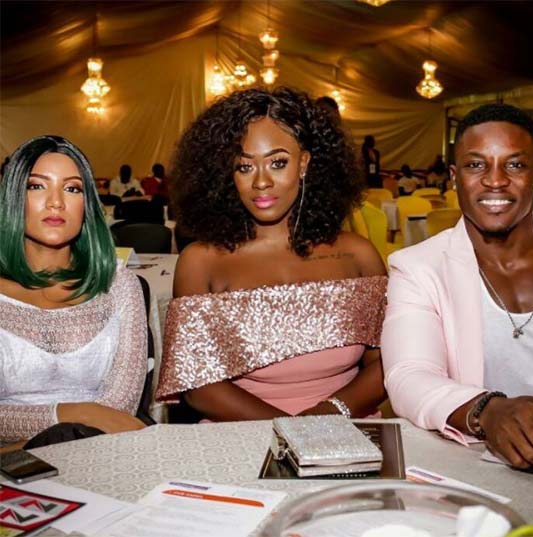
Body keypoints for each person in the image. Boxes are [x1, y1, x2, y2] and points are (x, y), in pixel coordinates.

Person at [156, 87, 387, 421]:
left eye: (277, 163)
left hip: (348, 426)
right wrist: (289, 430)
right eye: (244, 167)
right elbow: (199, 387)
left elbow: (388, 363)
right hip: (242, 433)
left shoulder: (358, 255)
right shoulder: (201, 262)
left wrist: (327, 415)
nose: (261, 181)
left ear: (304, 163)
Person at [381, 103, 533, 470]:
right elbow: (409, 375)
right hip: (489, 466)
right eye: (476, 165)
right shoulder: (418, 267)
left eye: (514, 165)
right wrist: (486, 409)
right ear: (455, 177)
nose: (495, 180)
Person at [0, 135, 148, 450]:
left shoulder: (119, 286)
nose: (56, 202)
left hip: (103, 454)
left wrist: (75, 424)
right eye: (37, 186)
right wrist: (74, 413)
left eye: (72, 189)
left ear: (87, 204)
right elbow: (101, 417)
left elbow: (121, 408)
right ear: (12, 196)